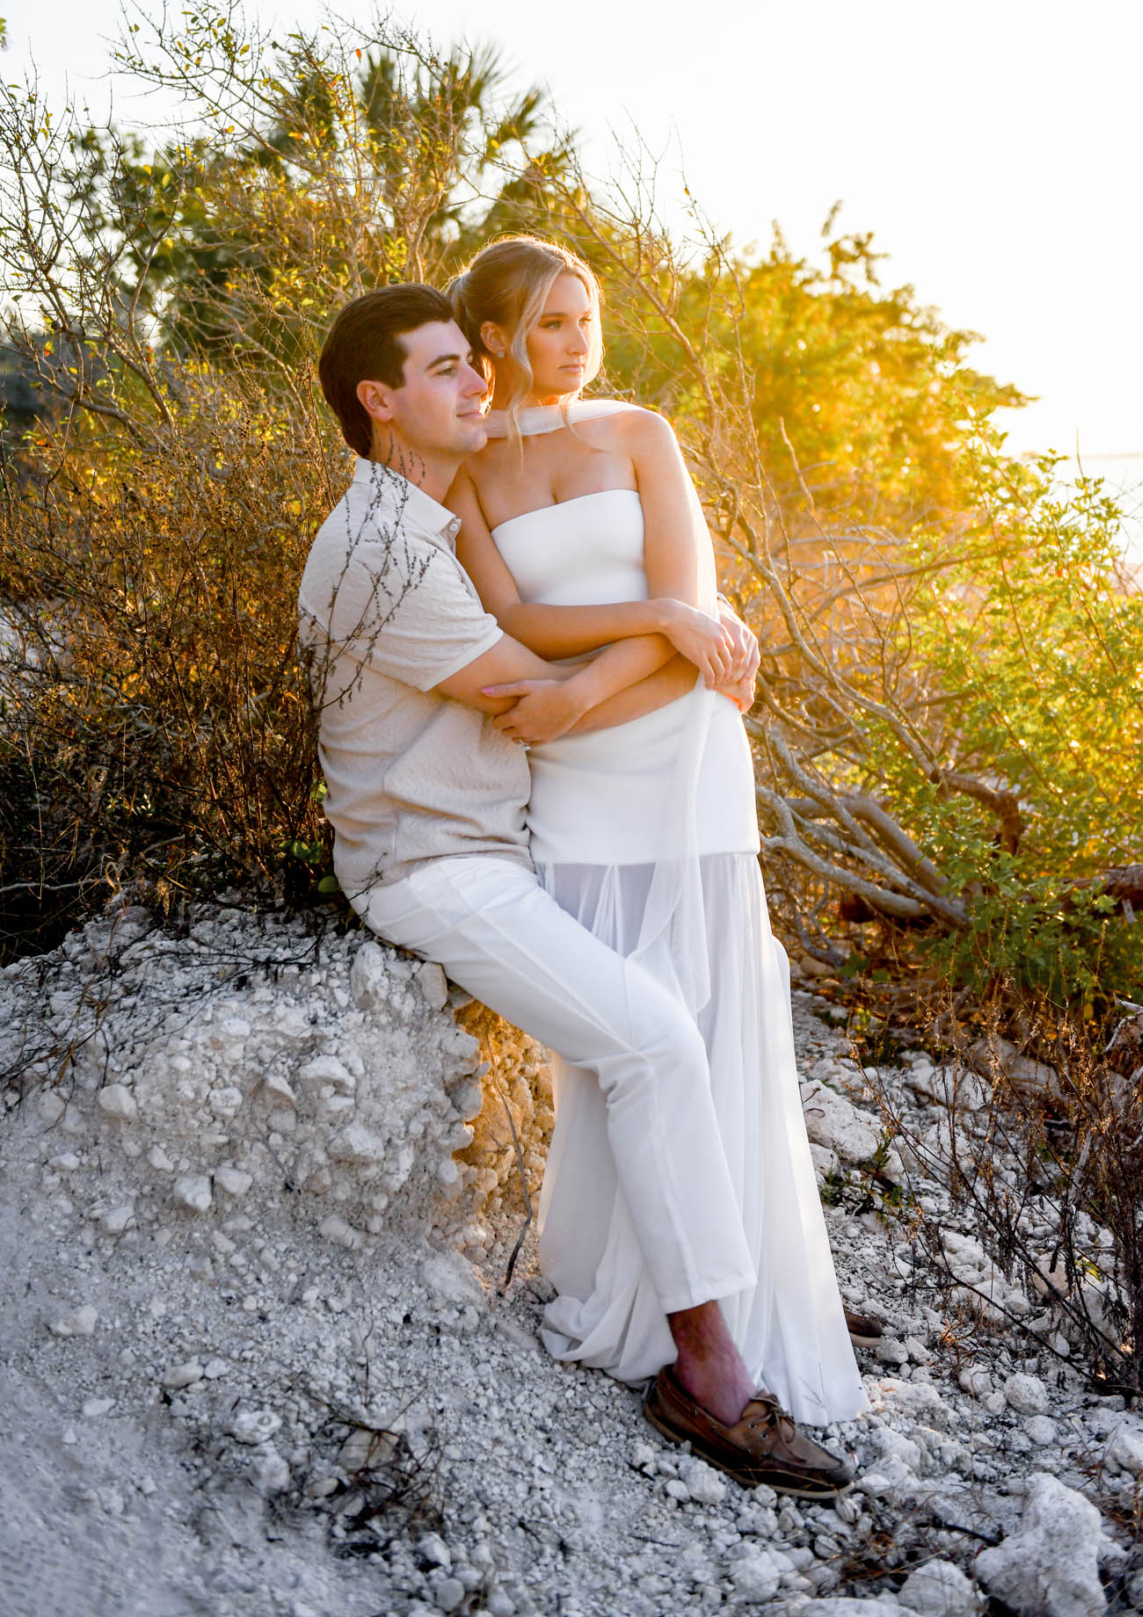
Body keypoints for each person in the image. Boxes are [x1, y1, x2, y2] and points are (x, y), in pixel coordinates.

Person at [299, 281, 854, 1497]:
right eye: (446, 368)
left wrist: (691, 618)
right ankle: (707, 1376)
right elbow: (532, 694)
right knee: (656, 1038)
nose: (475, 383)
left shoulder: (432, 516)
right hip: (434, 866)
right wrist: (677, 616)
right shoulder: (383, 550)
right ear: (379, 401)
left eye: (469, 361)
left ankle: (697, 1321)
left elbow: (561, 661)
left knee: (665, 1019)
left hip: (507, 845)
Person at [444, 237, 868, 1433]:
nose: (578, 346)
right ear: (492, 341)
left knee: (716, 1011)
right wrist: (668, 625)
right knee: (622, 1027)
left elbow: (688, 605)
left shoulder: (640, 434)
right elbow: (523, 613)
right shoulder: (469, 469)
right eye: (548, 326)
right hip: (572, 781)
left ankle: (745, 1291)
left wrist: (586, 690)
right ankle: (624, 1290)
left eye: (586, 319)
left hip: (678, 753)